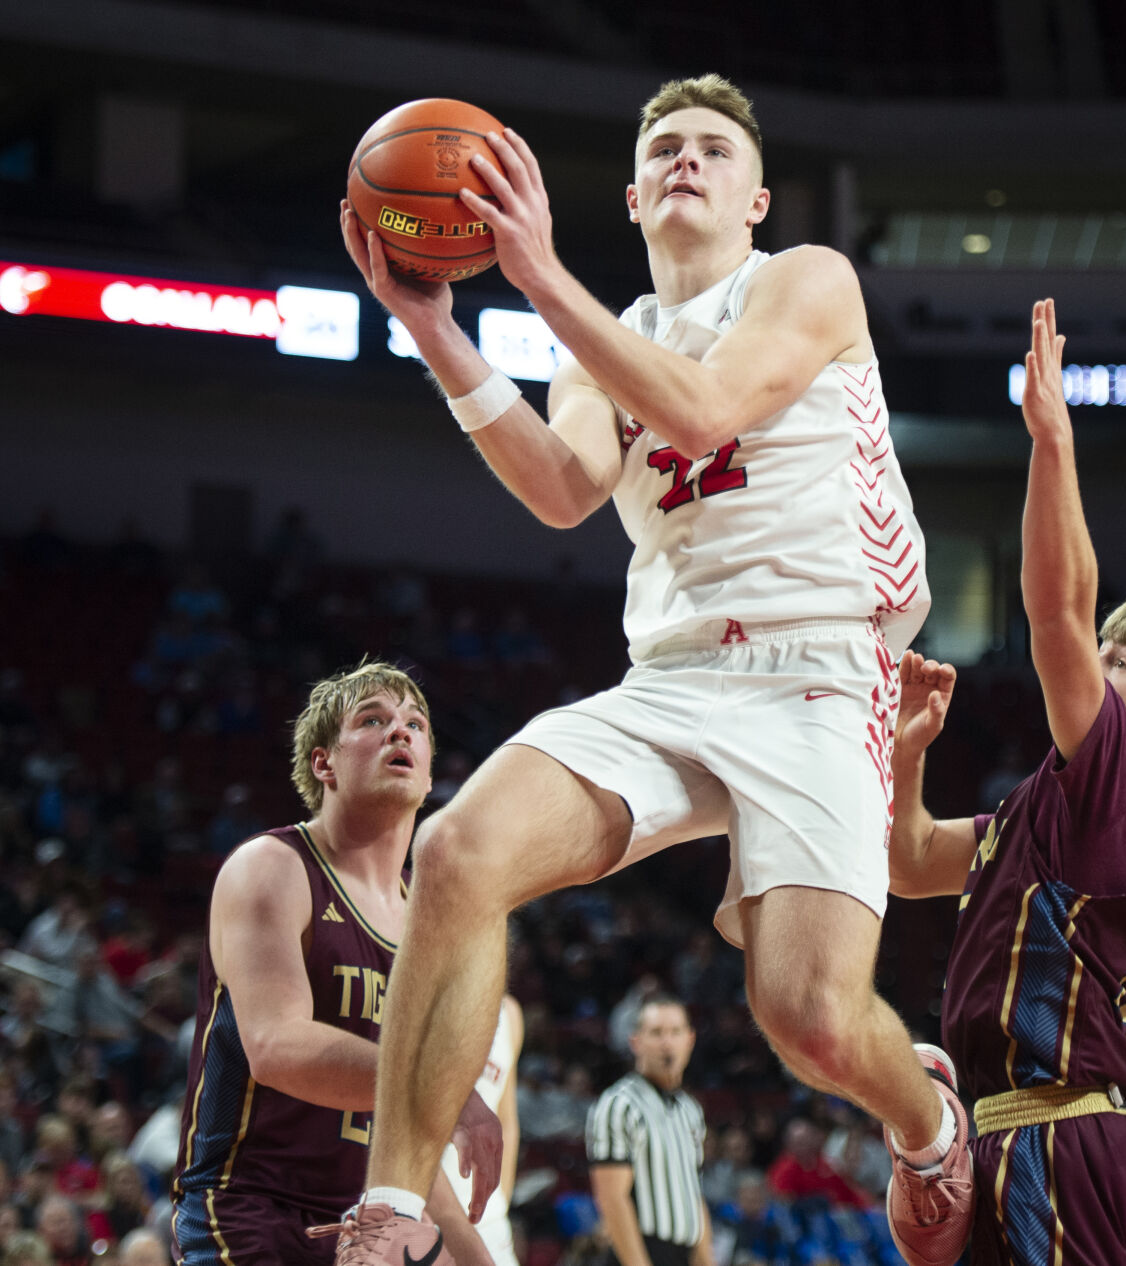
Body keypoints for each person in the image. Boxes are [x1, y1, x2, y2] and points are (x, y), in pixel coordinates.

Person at [335, 72, 969, 1266]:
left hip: (821, 667)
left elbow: (709, 408)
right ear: (629, 197)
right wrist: (431, 325)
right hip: (672, 673)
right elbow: (565, 492)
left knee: (807, 1018)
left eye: (713, 150)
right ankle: (396, 1211)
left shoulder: (803, 279)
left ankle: (930, 1125)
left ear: (755, 196)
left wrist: (536, 278)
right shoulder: (602, 344)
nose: (687, 160)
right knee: (457, 851)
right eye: (665, 147)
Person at [888, 301, 1126, 1265]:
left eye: (1120, 663)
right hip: (1040, 1134)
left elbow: (1055, 608)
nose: (1092, 669)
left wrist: (1052, 442)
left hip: (1063, 1137)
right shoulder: (1049, 804)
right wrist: (906, 755)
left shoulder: (1124, 790)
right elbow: (911, 862)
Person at [169, 661, 501, 1266]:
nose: (399, 732)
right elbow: (276, 1047)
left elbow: (410, 1138)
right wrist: (445, 1091)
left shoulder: (431, 928)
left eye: (415, 724)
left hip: (368, 1222)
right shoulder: (271, 866)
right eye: (373, 719)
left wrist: (475, 1255)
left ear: (429, 777)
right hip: (250, 1207)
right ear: (324, 764)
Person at [586, 996, 709, 1266]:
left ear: (690, 1040)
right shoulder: (619, 1104)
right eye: (656, 1033)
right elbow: (612, 1199)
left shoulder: (690, 1110)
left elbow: (693, 1194)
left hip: (683, 1253)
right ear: (635, 1042)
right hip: (640, 1253)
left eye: (675, 1032)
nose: (667, 1042)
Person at [440, 996, 525, 1266]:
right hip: (425, 1211)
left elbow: (507, 1121)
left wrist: (502, 1202)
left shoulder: (509, 1013)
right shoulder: (425, 993)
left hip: (487, 1222)